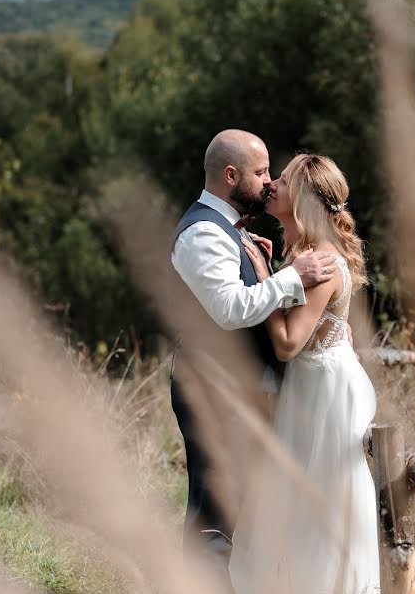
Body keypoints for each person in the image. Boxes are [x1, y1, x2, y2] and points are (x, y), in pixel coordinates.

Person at [170, 130, 337, 588]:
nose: (268, 182)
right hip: (212, 392)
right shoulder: (203, 231)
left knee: (235, 514)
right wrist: (291, 278)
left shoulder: (228, 230)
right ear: (231, 175)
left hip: (232, 391)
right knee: (213, 516)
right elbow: (229, 310)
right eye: (262, 172)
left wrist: (266, 272)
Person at [229, 154, 380, 594]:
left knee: (316, 504)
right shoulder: (304, 253)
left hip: (323, 394)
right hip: (312, 386)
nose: (271, 183)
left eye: (283, 180)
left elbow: (289, 343)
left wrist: (263, 280)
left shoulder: (323, 261)